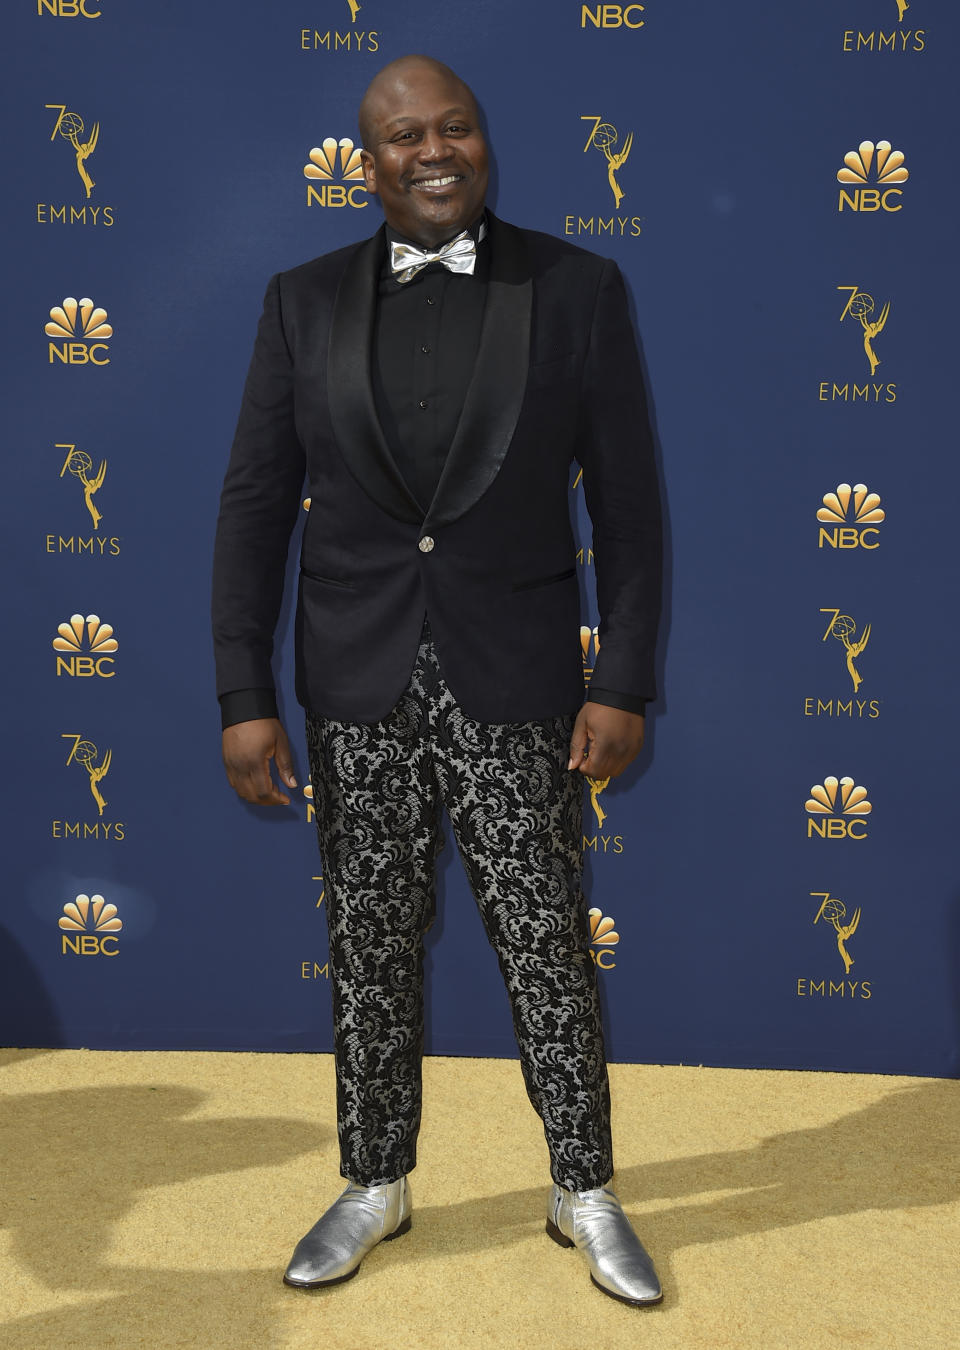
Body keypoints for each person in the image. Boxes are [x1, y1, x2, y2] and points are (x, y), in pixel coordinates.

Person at [212, 54, 663, 1307]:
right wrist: (243, 693)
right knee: (366, 947)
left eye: (453, 126)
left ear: (483, 140)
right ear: (369, 162)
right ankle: (376, 1180)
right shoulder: (298, 301)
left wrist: (619, 675)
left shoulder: (575, 287)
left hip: (519, 678)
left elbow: (630, 505)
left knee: (545, 947)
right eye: (404, 134)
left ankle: (584, 1189)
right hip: (352, 683)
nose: (433, 149)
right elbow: (254, 509)